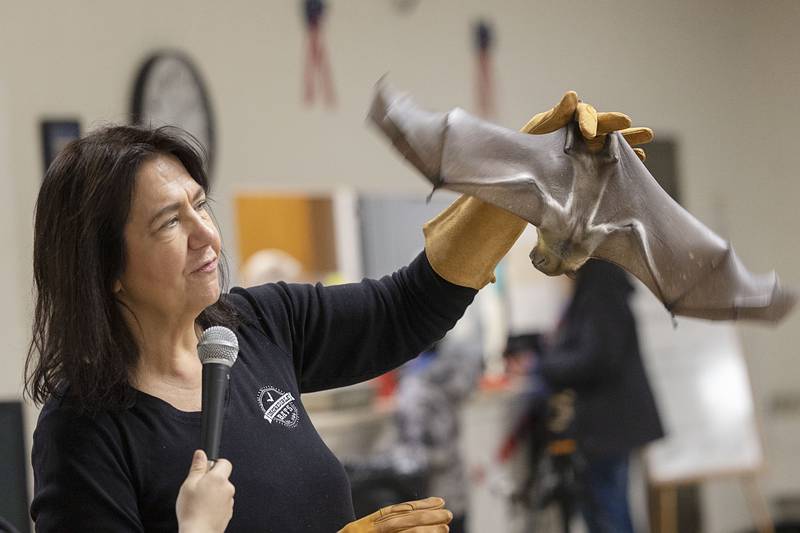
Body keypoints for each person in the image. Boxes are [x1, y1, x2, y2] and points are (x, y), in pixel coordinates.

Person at [24, 92, 648, 532]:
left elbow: (404, 308)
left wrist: (521, 176)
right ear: (104, 269)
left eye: (200, 206)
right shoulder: (84, 430)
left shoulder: (256, 326)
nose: (207, 237)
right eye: (169, 222)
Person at [535, 259, 665, 533]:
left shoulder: (600, 283)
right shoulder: (598, 282)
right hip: (609, 421)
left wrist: (546, 365)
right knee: (605, 509)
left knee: (608, 513)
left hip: (609, 422)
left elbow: (597, 357)